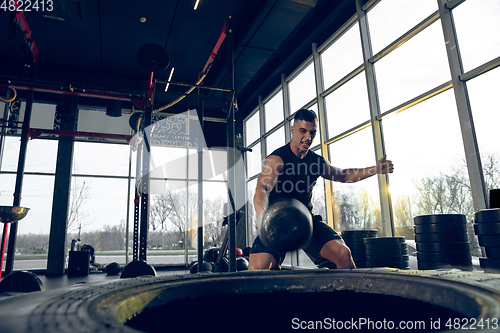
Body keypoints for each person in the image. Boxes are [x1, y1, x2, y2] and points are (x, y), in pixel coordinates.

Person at [248, 109, 394, 270]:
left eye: (312, 132)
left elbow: (344, 175)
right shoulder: (277, 159)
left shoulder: (317, 162)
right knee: (257, 270)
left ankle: (349, 294)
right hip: (275, 223)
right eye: (303, 131)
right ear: (293, 130)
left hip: (305, 222)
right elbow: (262, 188)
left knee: (343, 254)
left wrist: (376, 169)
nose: (308, 137)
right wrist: (261, 213)